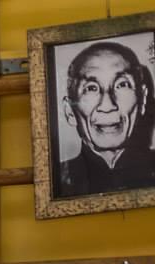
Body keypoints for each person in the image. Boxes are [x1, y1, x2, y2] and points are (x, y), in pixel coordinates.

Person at [54, 40, 155, 198]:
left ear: (142, 100)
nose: (107, 106)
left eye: (122, 85)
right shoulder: (56, 181)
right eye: (91, 88)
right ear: (70, 111)